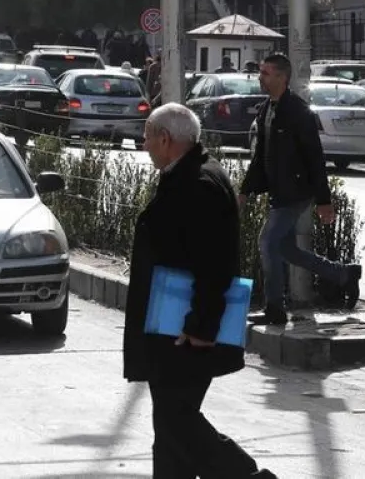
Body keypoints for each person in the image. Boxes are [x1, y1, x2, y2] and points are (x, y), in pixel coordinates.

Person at [126, 104, 275, 479]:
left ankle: (246, 476)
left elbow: (214, 265)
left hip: (186, 332)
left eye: (147, 137)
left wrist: (201, 326)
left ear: (165, 139)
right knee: (172, 428)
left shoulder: (199, 184)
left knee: (178, 423)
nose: (144, 145)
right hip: (173, 328)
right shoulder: (186, 176)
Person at [240, 54, 361, 325]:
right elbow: (260, 156)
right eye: (261, 72)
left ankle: (274, 308)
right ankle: (344, 275)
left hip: (295, 192)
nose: (261, 77)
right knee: (286, 250)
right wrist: (245, 191)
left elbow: (314, 157)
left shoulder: (298, 111)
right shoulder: (265, 110)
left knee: (268, 243)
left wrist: (323, 200)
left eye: (267, 73)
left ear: (282, 78)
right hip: (278, 191)